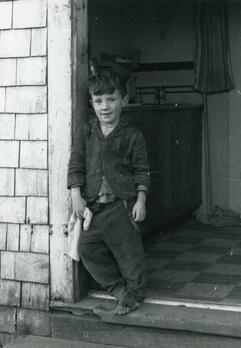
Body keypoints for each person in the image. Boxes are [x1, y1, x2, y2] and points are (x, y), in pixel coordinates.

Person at [67, 68, 150, 315]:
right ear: (92, 103)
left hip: (121, 206)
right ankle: (118, 289)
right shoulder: (86, 132)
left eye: (112, 99)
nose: (105, 106)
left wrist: (141, 200)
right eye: (98, 100)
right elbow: (76, 164)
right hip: (93, 208)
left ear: (124, 100)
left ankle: (134, 294)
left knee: (129, 254)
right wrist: (76, 195)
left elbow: (142, 169)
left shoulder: (133, 135)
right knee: (86, 249)